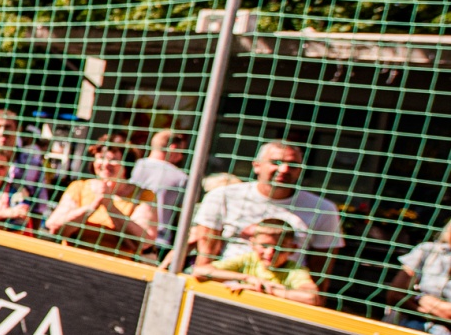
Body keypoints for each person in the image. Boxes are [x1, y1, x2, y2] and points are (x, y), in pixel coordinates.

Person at [190, 140, 344, 278]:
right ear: (257, 166)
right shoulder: (222, 197)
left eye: (293, 165)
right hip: (226, 283)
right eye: (276, 162)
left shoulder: (323, 209)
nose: (284, 169)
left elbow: (321, 268)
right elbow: (205, 256)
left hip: (281, 290)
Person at [46, 137, 159, 255]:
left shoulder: (142, 196)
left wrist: (109, 205)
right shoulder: (79, 187)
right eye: (100, 158)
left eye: (113, 159)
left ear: (126, 164)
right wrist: (92, 206)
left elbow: (145, 242)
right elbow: (54, 226)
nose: (105, 164)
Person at [191, 216, 321, 306]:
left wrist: (262, 289)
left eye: (279, 248)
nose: (270, 253)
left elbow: (311, 297)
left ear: (292, 249)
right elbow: (200, 272)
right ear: (252, 243)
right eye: (264, 246)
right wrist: (247, 278)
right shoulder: (248, 259)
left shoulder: (294, 270)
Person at [387, 220, 451, 335]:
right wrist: (423, 302)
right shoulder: (427, 250)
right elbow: (394, 295)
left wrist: (418, 299)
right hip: (405, 328)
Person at [129, 129, 191, 248]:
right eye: (182, 152)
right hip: (159, 240)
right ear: (173, 148)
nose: (181, 157)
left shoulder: (131, 166)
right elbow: (182, 217)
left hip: (126, 231)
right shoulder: (180, 177)